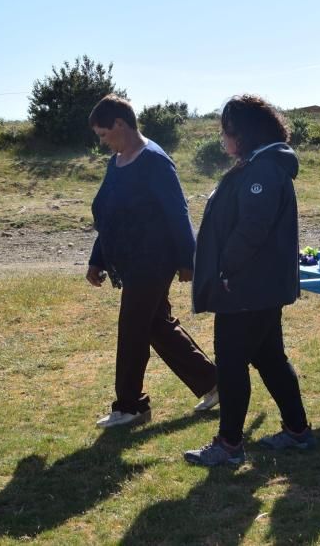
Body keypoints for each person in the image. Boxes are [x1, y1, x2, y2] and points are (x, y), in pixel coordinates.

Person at [185, 95, 314, 467]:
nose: (223, 139)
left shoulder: (264, 170)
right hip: (256, 285)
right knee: (270, 357)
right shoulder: (261, 164)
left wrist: (226, 269)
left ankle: (229, 445)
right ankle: (297, 430)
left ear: (244, 133)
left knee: (230, 362)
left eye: (227, 132)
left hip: (246, 286)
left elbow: (252, 228)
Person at [87, 95, 218, 429]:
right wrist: (97, 259)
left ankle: (131, 406)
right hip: (128, 262)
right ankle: (217, 384)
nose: (103, 143)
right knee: (157, 326)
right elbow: (108, 215)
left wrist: (188, 260)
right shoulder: (116, 162)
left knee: (132, 329)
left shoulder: (155, 161)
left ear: (120, 124)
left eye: (104, 134)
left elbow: (177, 212)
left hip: (153, 260)